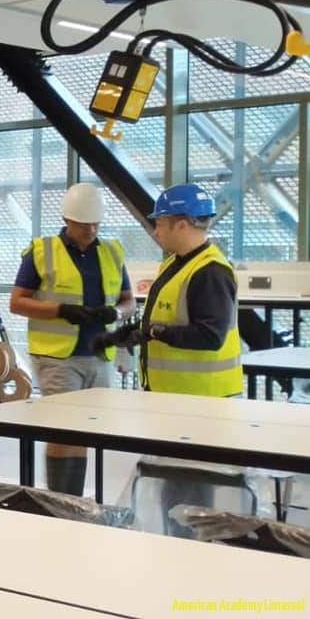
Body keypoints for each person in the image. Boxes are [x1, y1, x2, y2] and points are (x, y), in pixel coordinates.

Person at [96, 183, 241, 537]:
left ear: (182, 224)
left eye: (159, 223)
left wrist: (157, 332)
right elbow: (165, 319)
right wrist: (129, 334)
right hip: (171, 402)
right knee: (169, 490)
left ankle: (188, 554)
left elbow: (210, 336)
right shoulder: (174, 265)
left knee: (190, 498)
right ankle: (172, 548)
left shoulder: (210, 272)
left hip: (203, 404)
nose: (155, 230)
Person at [9, 183, 133, 497]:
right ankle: (61, 500)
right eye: (83, 224)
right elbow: (17, 302)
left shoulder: (111, 252)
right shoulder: (42, 251)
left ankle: (72, 499)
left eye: (96, 224)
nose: (91, 230)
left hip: (99, 356)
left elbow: (129, 300)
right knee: (64, 429)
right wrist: (61, 310)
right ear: (67, 220)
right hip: (58, 357)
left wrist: (116, 313)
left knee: (86, 429)